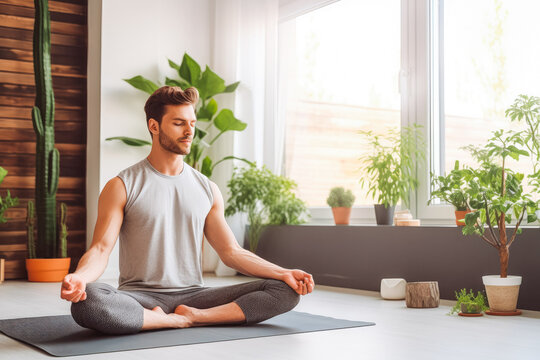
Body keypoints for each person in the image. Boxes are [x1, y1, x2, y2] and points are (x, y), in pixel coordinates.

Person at [60, 86, 315, 335]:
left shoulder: (207, 188)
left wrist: (284, 273)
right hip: (140, 298)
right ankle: (173, 321)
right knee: (88, 301)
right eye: (179, 123)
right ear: (154, 126)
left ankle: (194, 318)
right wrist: (80, 277)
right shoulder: (122, 185)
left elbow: (231, 252)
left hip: (196, 297)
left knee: (285, 290)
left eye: (192, 123)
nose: (189, 131)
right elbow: (101, 249)